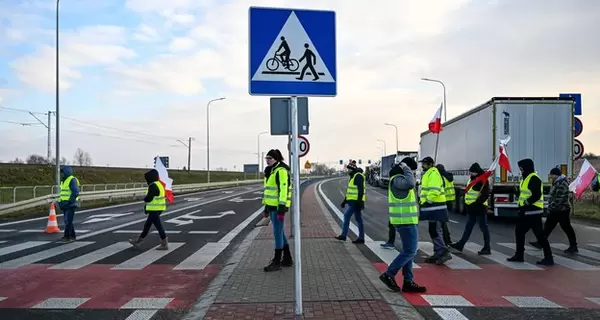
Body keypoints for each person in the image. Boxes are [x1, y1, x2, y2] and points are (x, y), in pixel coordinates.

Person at [379, 158, 427, 293]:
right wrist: (406, 168)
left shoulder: (398, 179)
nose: (411, 173)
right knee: (410, 251)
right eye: (411, 170)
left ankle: (408, 281)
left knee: (408, 251)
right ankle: (388, 274)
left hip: (407, 221)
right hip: (404, 221)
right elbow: (411, 183)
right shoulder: (398, 179)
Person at [507, 158, 554, 265]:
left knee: (539, 235)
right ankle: (519, 255)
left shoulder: (534, 178)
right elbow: (525, 194)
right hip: (527, 211)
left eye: (522, 168)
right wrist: (518, 194)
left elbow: (536, 195)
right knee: (520, 231)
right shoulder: (525, 178)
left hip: (533, 211)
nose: (521, 170)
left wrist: (526, 203)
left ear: (527, 167)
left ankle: (548, 258)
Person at [530, 168, 578, 254]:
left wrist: (550, 208)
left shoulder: (562, 183)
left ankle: (573, 246)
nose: (551, 177)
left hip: (562, 210)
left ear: (556, 175)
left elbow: (559, 199)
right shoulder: (557, 182)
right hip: (556, 210)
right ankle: (540, 242)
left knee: (566, 228)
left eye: (552, 175)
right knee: (548, 227)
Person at [449, 163, 491, 255]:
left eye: (472, 172)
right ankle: (461, 245)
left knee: (484, 228)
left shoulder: (483, 180)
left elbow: (485, 195)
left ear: (477, 172)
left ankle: (487, 247)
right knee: (468, 228)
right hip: (471, 208)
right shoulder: (472, 179)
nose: (471, 173)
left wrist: (476, 204)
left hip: (480, 208)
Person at [262, 149, 293, 272]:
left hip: (278, 207)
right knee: (279, 232)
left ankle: (277, 261)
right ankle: (287, 258)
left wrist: (281, 207)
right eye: (267, 158)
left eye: (270, 158)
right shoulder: (271, 171)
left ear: (276, 159)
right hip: (272, 207)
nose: (268, 160)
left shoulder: (281, 171)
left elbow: (283, 190)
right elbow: (269, 191)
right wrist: (266, 207)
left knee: (277, 232)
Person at [418, 156, 451, 264]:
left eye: (425, 163)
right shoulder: (429, 173)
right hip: (433, 208)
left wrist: (428, 200)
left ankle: (442, 251)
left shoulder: (433, 173)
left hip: (436, 207)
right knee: (434, 230)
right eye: (422, 163)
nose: (422, 165)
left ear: (431, 164)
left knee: (435, 230)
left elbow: (434, 190)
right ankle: (438, 252)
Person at [129, 169, 169, 250]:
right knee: (148, 225)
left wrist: (144, 199)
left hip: (154, 209)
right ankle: (138, 241)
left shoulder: (153, 185)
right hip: (159, 208)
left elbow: (148, 198)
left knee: (158, 226)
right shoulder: (159, 184)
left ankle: (164, 243)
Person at [335, 161, 366, 244]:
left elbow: (361, 190)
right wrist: (344, 201)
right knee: (359, 219)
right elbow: (350, 192)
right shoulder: (352, 177)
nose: (347, 170)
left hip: (356, 202)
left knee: (346, 216)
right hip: (353, 201)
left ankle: (344, 235)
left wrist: (359, 202)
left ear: (352, 169)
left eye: (348, 169)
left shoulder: (358, 176)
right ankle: (361, 238)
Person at [58, 166, 80, 242]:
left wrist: (70, 201)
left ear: (66, 172)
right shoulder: (64, 180)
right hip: (65, 203)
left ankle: (67, 236)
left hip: (70, 204)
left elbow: (75, 192)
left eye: (63, 172)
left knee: (68, 220)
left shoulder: (71, 180)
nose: (62, 174)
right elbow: (63, 192)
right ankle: (72, 235)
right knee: (68, 221)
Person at [436, 164, 454, 245]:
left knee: (442, 223)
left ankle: (446, 240)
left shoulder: (441, 178)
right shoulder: (449, 177)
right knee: (444, 222)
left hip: (443, 201)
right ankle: (447, 240)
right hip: (450, 201)